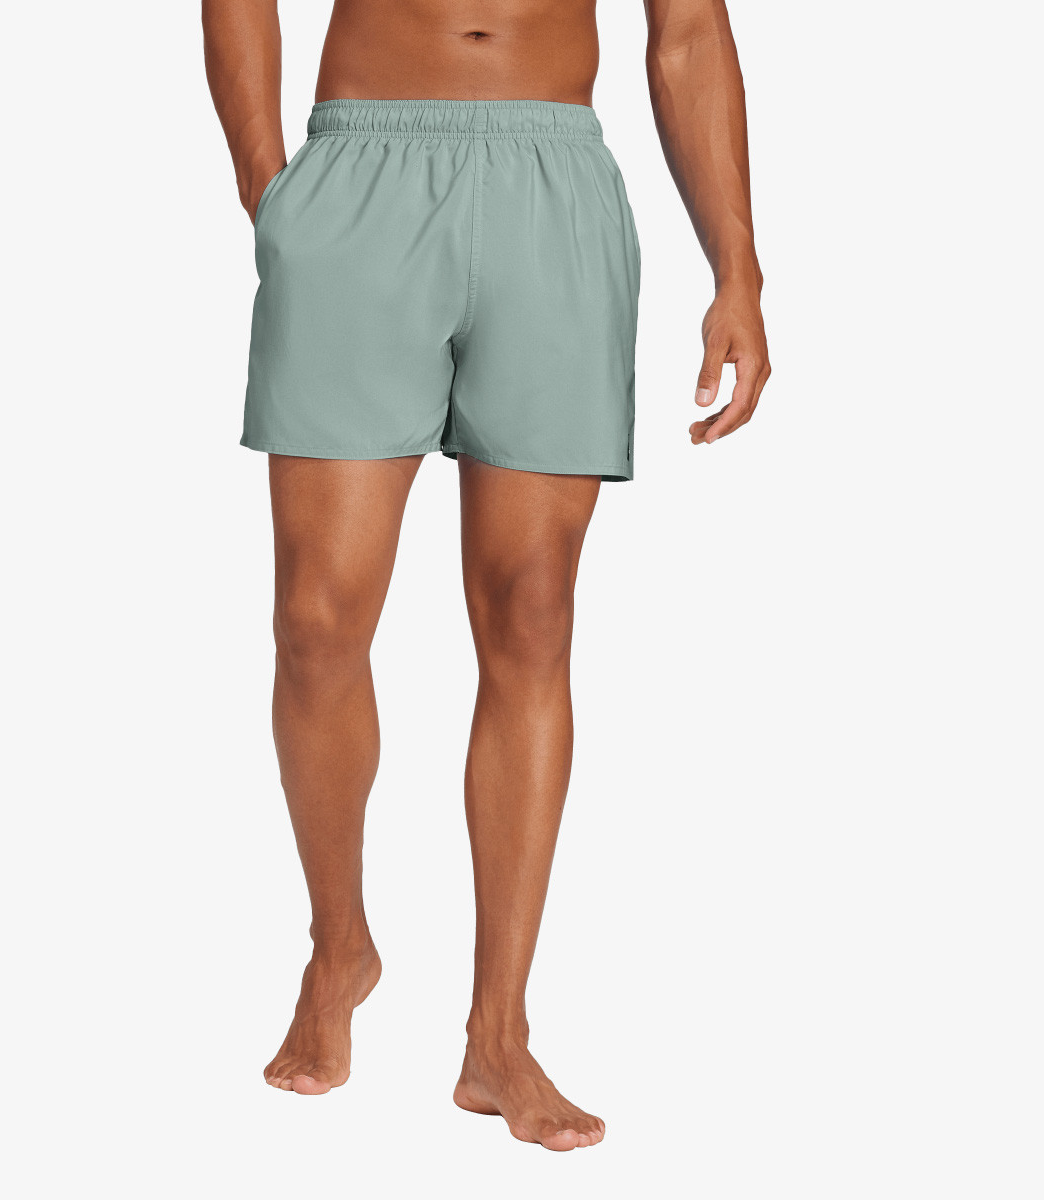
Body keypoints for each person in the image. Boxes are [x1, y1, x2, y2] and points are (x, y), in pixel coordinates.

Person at [203, 0, 770, 1151]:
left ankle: (498, 1037)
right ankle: (338, 944)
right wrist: (270, 188)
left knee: (532, 615)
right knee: (315, 620)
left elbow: (687, 31)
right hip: (360, 169)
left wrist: (739, 270)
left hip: (551, 182)